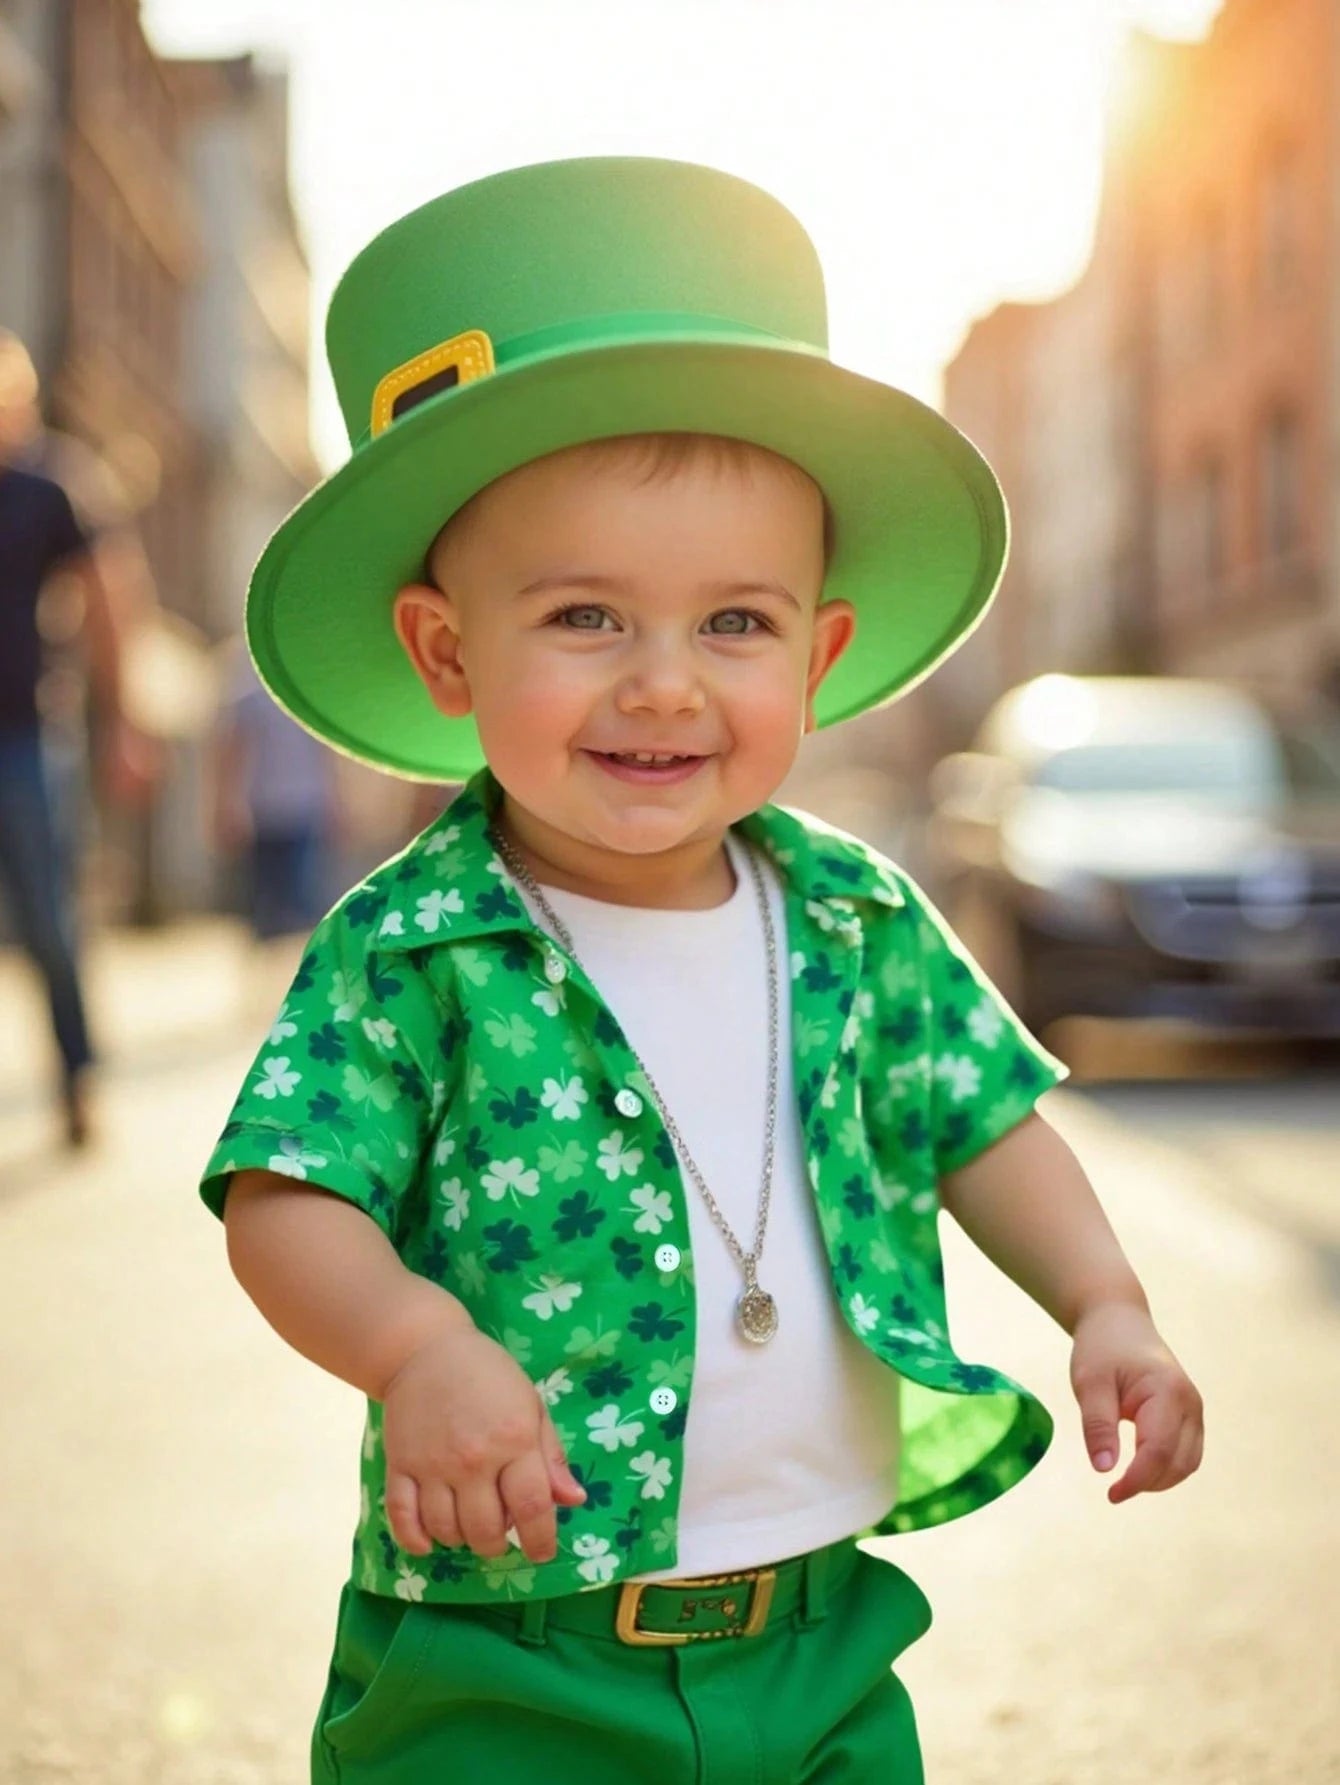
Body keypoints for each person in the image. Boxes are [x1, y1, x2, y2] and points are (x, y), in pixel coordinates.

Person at [198, 159, 1204, 1784]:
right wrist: (416, 1349)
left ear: (816, 654)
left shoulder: (855, 919)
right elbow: (286, 1192)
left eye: (734, 623)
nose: (665, 685)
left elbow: (986, 1122)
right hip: (502, 1655)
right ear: (448, 653)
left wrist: (1106, 1302)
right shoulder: (414, 946)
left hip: (821, 1636)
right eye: (586, 615)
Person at [0, 330, 156, 1147]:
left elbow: (108, 603)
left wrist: (122, 724)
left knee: (49, 918)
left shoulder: (50, 487)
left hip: (24, 735)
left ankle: (76, 1076)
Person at [207, 640, 342, 942]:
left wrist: (335, 801)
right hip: (264, 811)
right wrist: (225, 805)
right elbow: (232, 748)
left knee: (303, 906)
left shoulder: (309, 682)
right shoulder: (247, 681)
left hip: (306, 807)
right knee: (267, 908)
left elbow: (326, 749)